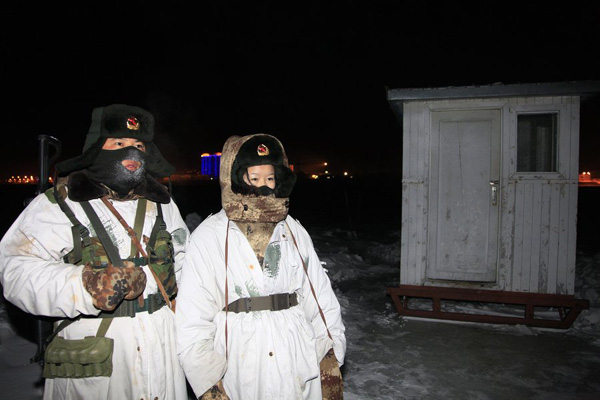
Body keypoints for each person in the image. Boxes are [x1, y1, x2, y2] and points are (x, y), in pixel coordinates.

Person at [0, 104, 190, 399]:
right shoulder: (61, 204)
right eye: (119, 143)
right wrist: (85, 285)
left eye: (139, 145)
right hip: (95, 356)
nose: (131, 152)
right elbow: (15, 268)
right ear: (97, 148)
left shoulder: (163, 205)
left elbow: (185, 265)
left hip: (162, 349)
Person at [176, 133, 346, 399]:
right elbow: (192, 321)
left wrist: (330, 356)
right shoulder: (210, 236)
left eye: (270, 178)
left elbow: (321, 300)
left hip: (296, 362)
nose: (264, 187)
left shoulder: (293, 231)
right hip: (238, 366)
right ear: (234, 179)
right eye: (254, 179)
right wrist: (208, 383)